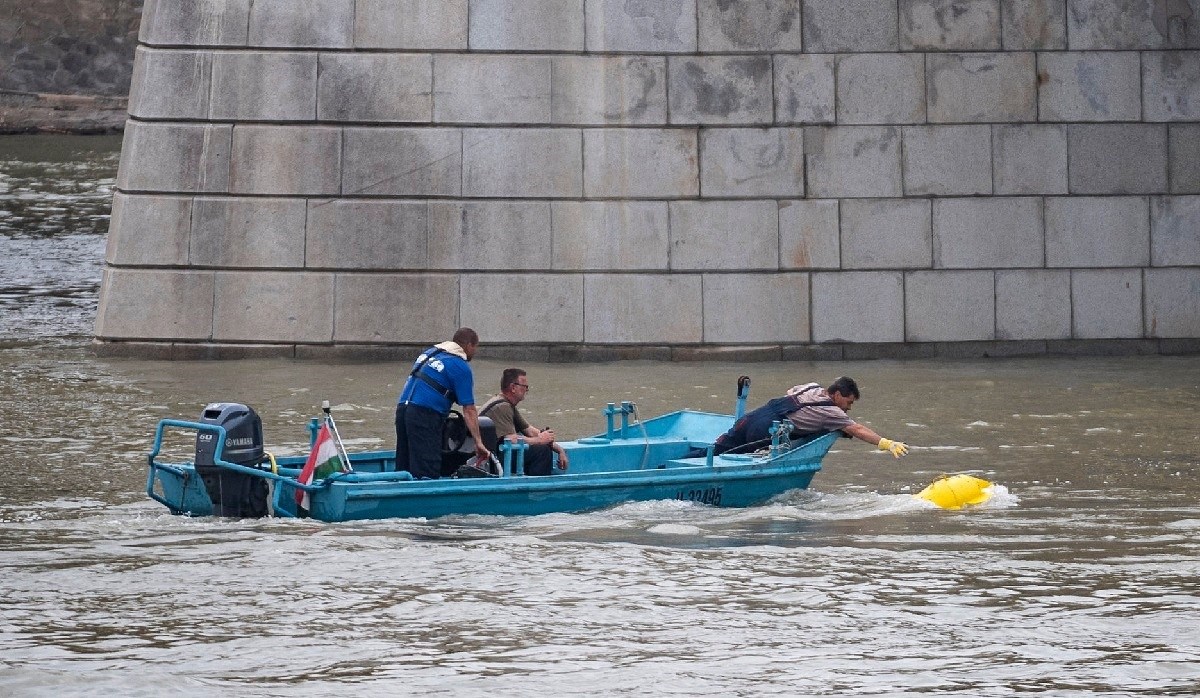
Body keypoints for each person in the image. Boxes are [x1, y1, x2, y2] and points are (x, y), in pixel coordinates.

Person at [712, 376, 909, 458]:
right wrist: (885, 443)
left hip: (752, 417)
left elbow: (790, 392)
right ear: (838, 395)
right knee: (740, 459)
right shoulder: (833, 413)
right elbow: (857, 430)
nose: (848, 409)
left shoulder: (811, 387)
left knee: (715, 451)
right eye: (848, 403)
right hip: (763, 430)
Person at [395, 327, 490, 479]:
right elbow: (469, 409)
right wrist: (478, 442)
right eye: (475, 348)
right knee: (427, 470)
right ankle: (425, 500)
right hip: (424, 415)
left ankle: (398, 496)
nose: (475, 352)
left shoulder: (429, 353)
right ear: (470, 345)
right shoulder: (460, 365)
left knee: (404, 465)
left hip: (403, 410)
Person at [477, 368, 569, 476]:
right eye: (525, 387)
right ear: (513, 388)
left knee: (541, 446)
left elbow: (530, 431)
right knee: (541, 451)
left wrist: (560, 450)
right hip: (489, 459)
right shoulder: (502, 407)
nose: (527, 390)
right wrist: (539, 440)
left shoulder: (507, 404)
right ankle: (537, 490)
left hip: (496, 453)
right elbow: (512, 440)